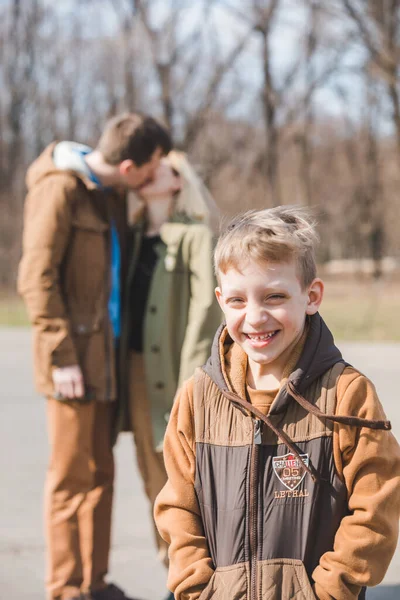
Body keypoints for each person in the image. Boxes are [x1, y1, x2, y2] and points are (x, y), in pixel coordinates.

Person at [154, 206, 400, 600]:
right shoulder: (197, 399)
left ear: (311, 296)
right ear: (220, 299)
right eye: (237, 300)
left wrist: (330, 591)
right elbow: (178, 509)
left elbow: (376, 507)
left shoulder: (347, 394)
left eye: (274, 296)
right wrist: (197, 589)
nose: (255, 317)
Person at [17, 113, 172, 600]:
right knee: (70, 479)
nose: (153, 175)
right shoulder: (59, 189)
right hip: (72, 362)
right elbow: (36, 279)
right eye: (150, 168)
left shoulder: (109, 194)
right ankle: (65, 588)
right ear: (129, 167)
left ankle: (95, 582)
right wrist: (61, 356)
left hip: (106, 360)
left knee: (102, 473)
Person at [116, 151, 221, 600]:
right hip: (136, 374)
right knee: (150, 476)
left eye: (158, 165)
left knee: (185, 478)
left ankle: (195, 576)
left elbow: (205, 309)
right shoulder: (134, 235)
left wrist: (191, 378)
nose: (146, 168)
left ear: (178, 181)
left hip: (177, 374)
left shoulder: (196, 235)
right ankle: (173, 569)